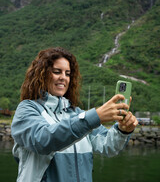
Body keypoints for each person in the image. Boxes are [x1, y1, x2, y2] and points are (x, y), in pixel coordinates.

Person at [11, 47, 138, 182]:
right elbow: (43, 140)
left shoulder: (77, 114)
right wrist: (95, 117)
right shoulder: (27, 109)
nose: (63, 78)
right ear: (41, 74)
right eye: (56, 72)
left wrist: (123, 130)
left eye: (67, 74)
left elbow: (108, 146)